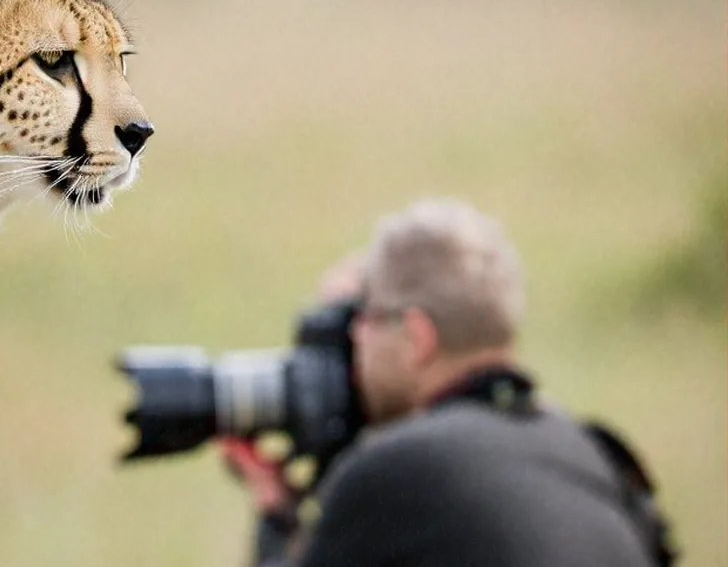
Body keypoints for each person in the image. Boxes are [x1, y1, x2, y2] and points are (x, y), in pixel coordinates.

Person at [219, 198, 676, 567]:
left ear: (417, 337)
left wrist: (277, 514)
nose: (354, 339)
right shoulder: (596, 459)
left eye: (365, 318)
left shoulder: (394, 471)